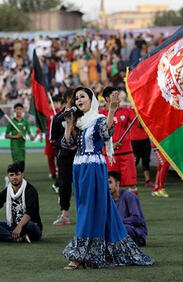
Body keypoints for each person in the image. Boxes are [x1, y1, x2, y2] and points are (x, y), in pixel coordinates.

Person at [61, 87, 154, 269]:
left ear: (91, 100)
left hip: (93, 167)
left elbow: (106, 134)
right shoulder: (78, 122)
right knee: (87, 208)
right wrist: (69, 124)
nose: (79, 100)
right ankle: (97, 250)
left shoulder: (98, 119)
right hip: (79, 168)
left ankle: (78, 256)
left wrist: (111, 110)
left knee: (88, 208)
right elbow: (68, 144)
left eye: (83, 97)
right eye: (76, 98)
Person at [0, 162, 42, 243]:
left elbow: (29, 213)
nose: (14, 177)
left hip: (30, 226)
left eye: (17, 174)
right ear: (8, 176)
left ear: (22, 175)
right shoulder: (7, 191)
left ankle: (5, 237)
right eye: (11, 175)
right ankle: (17, 238)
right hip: (14, 226)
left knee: (31, 225)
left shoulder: (30, 190)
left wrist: (19, 227)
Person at [99, 86, 138, 194]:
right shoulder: (100, 114)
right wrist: (110, 144)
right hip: (109, 155)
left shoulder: (127, 111)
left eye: (118, 95)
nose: (118, 97)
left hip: (127, 154)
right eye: (114, 95)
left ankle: (132, 209)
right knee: (110, 186)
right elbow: (97, 135)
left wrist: (140, 110)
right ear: (107, 99)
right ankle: (111, 210)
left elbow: (139, 125)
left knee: (132, 186)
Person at [49, 90, 77, 226]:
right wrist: (64, 147)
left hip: (80, 156)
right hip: (64, 157)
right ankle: (64, 214)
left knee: (83, 185)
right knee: (65, 185)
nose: (75, 100)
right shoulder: (57, 118)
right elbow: (52, 140)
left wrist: (76, 146)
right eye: (72, 98)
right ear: (65, 100)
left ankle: (87, 214)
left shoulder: (81, 117)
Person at [109, 171, 148, 246]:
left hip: (136, 234)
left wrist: (117, 221)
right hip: (116, 231)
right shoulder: (107, 199)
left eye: (110, 182)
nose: (107, 185)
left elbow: (137, 219)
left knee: (123, 228)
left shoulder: (129, 196)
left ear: (117, 183)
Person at [5, 103, 35, 171]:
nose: (19, 111)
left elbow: (30, 135)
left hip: (22, 145)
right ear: (14, 111)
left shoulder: (25, 122)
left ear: (23, 110)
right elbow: (6, 136)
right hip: (14, 145)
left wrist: (32, 137)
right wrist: (16, 136)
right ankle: (17, 178)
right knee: (16, 163)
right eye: (17, 109)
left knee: (22, 162)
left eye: (20, 109)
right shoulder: (12, 122)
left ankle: (21, 177)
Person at [131, 119, 154, 187]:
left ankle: (147, 180)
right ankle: (132, 180)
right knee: (134, 161)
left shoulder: (144, 111)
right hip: (134, 140)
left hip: (145, 139)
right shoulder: (130, 111)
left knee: (146, 160)